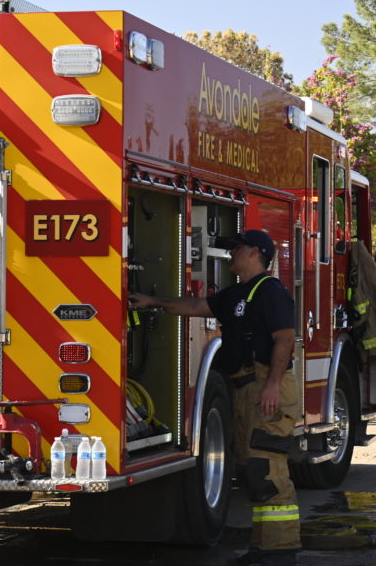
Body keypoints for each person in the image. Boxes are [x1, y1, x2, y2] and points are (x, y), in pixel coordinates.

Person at [129, 229, 301, 565]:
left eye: (237, 248)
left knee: (267, 469)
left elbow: (284, 339)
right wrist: (152, 302)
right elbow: (195, 305)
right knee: (251, 470)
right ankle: (263, 549)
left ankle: (281, 552)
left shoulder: (271, 291)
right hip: (246, 388)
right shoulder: (237, 293)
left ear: (255, 252)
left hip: (268, 386)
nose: (232, 253)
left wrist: (271, 385)